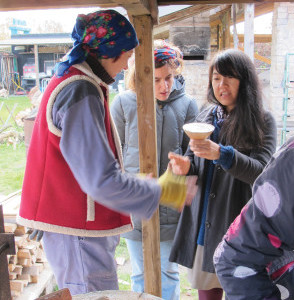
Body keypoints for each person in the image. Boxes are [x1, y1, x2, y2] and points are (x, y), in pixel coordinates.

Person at [17, 10, 197, 296]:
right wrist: (163, 190)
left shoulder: (78, 81)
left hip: (73, 228)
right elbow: (101, 179)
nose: (127, 65)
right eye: (127, 55)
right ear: (110, 53)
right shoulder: (80, 90)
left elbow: (81, 165)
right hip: (77, 230)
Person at [167, 49, 277, 300]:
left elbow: (262, 172)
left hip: (241, 230)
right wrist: (185, 168)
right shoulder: (206, 116)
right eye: (216, 78)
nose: (221, 84)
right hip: (205, 227)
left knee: (242, 293)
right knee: (207, 295)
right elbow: (194, 162)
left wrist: (223, 154)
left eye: (229, 77)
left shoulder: (263, 120)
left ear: (245, 81)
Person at [111, 39, 199, 300]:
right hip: (136, 201)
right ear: (141, 76)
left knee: (169, 272)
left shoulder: (188, 106)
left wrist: (186, 163)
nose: (164, 86)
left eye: (169, 78)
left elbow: (193, 152)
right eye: (157, 79)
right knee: (139, 273)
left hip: (171, 204)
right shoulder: (123, 103)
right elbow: (115, 152)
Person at [214, 134, 294, 300]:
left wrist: (226, 156)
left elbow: (258, 167)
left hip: (254, 202)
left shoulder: (264, 121)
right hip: (247, 214)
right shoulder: (209, 117)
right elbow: (235, 258)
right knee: (204, 280)